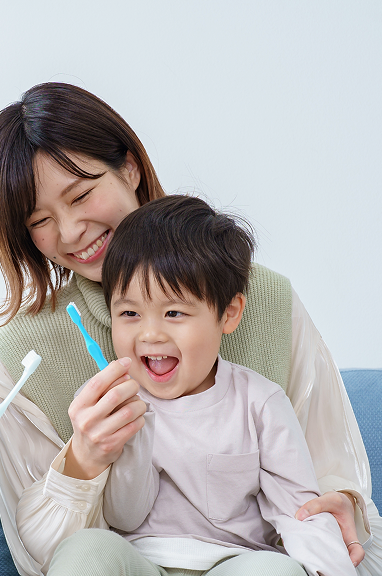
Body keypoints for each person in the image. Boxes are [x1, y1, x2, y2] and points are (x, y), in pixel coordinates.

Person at [0, 82, 378, 576]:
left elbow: (332, 480)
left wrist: (341, 508)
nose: (71, 232)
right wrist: (83, 459)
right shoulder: (23, 353)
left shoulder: (265, 300)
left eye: (81, 194)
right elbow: (42, 556)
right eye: (40, 221)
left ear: (129, 167)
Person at [82, 194, 354, 575]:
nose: (149, 333)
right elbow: (125, 515)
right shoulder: (111, 401)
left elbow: (299, 511)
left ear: (229, 314)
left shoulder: (259, 402)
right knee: (87, 548)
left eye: (173, 312)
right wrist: (134, 433)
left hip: (233, 562)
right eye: (129, 313)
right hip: (142, 562)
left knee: (276, 572)